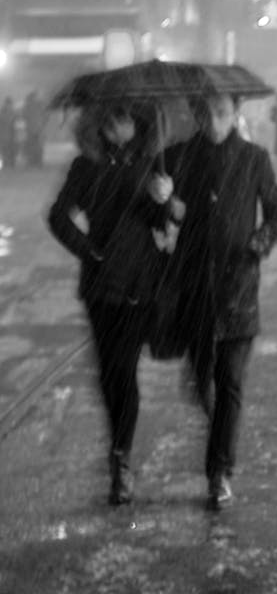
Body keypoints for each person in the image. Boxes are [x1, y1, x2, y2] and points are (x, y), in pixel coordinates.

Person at [152, 93, 277, 510]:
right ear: (195, 114)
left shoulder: (253, 159)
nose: (214, 121)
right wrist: (162, 202)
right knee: (204, 380)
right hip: (193, 286)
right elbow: (159, 218)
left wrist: (258, 242)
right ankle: (218, 439)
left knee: (230, 382)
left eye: (222, 113)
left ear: (235, 114)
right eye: (207, 113)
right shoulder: (176, 158)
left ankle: (219, 471)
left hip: (238, 287)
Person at [47, 103, 182, 506]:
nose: (113, 125)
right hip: (101, 285)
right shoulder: (84, 166)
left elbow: (164, 225)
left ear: (135, 122)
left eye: (119, 118)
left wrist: (164, 199)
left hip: (141, 281)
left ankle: (121, 458)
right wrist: (88, 249)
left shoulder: (150, 163)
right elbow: (58, 217)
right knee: (111, 373)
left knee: (124, 370)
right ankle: (119, 450)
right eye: (106, 120)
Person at [22, 89, 46, 167]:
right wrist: (42, 123)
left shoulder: (28, 105)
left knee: (34, 145)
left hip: (32, 129)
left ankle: (34, 161)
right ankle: (37, 161)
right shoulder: (39, 104)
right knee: (37, 146)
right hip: (36, 128)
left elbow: (24, 116)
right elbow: (46, 115)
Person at [0, 96, 17, 168]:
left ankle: (11, 164)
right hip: (4, 135)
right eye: (8, 104)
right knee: (4, 150)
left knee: (12, 150)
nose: (9, 106)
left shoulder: (14, 112)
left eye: (10, 104)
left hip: (12, 135)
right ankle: (4, 164)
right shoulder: (2, 113)